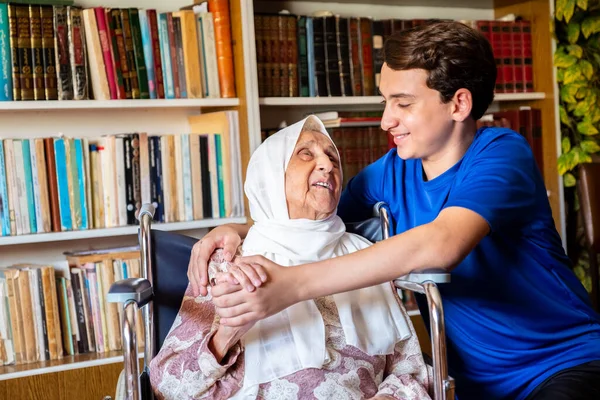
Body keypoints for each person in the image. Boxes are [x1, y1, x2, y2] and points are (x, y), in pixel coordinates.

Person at [188, 21, 600, 400]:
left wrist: (290, 286)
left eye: (403, 103)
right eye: (386, 101)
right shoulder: (391, 171)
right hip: (476, 385)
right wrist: (239, 230)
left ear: (458, 104)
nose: (386, 120)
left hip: (565, 364)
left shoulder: (502, 153)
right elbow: (315, 220)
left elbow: (442, 243)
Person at [149, 116, 431, 400]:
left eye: (332, 157)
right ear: (270, 175)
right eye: (306, 154)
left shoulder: (366, 259)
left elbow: (411, 370)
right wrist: (225, 336)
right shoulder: (229, 262)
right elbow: (167, 387)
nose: (328, 164)